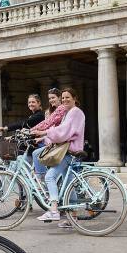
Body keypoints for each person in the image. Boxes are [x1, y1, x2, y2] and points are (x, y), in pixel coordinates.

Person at [31, 87, 85, 228]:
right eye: (63, 98)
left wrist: (43, 133)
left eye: (68, 97)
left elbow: (62, 131)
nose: (65, 100)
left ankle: (54, 209)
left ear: (74, 98)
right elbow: (61, 130)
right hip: (70, 150)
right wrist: (44, 134)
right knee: (69, 185)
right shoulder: (70, 112)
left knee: (50, 176)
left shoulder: (74, 112)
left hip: (69, 151)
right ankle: (73, 219)